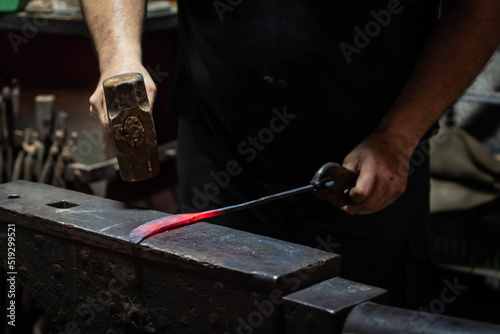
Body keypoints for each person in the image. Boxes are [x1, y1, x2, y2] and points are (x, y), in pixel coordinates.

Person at [80, 0, 500, 307]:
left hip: (365, 166)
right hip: (219, 152)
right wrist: (118, 53)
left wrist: (399, 136)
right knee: (212, 307)